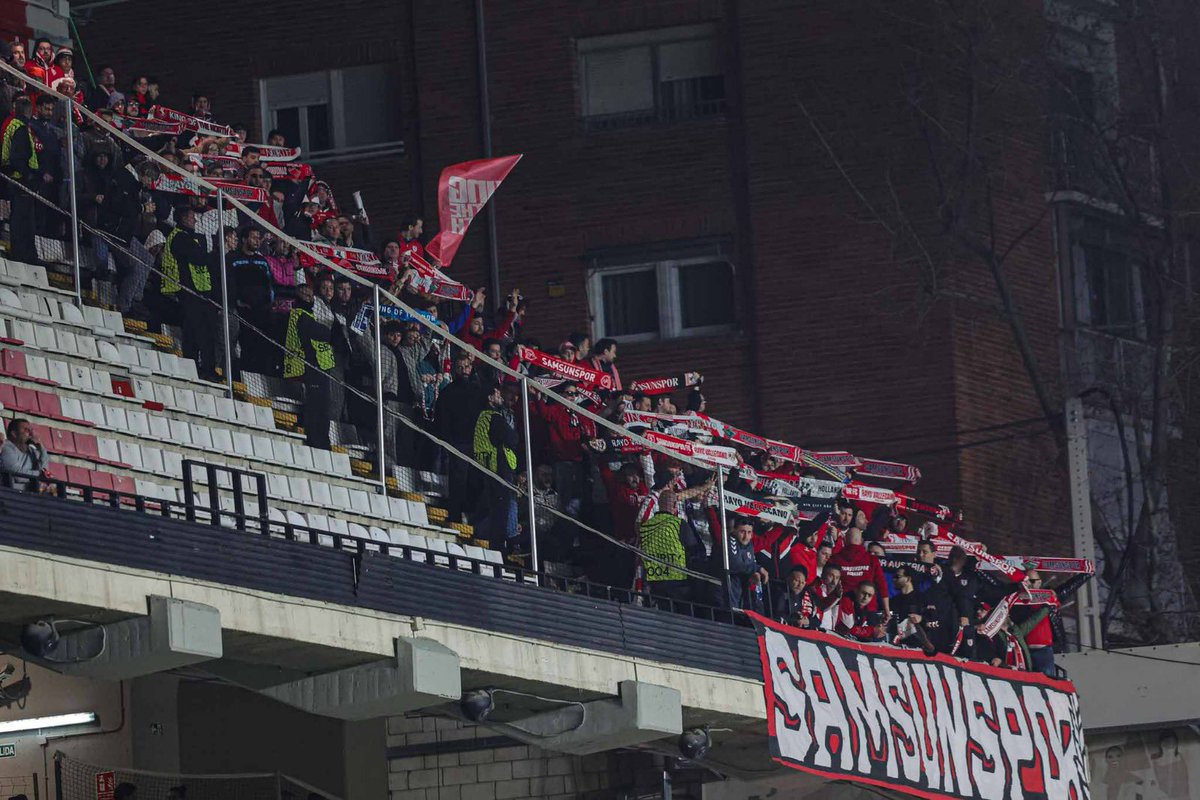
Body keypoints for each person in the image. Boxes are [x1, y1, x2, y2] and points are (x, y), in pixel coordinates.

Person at [283, 283, 338, 449]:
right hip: (308, 366)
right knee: (317, 406)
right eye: (305, 295)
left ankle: (322, 440)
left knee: (323, 406)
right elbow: (322, 333)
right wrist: (333, 332)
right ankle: (317, 440)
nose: (309, 298)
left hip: (317, 366)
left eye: (310, 295)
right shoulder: (300, 315)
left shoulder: (308, 315)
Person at [436, 353, 485, 521]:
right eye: (460, 367)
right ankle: (455, 516)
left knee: (476, 480)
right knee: (458, 481)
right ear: (455, 369)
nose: (464, 370)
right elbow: (442, 420)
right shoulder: (448, 392)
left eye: (467, 366)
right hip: (458, 443)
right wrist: (447, 442)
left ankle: (472, 517)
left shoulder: (478, 391)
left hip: (477, 443)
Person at [473, 383, 521, 552]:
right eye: (497, 394)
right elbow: (513, 438)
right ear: (490, 397)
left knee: (493, 506)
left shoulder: (484, 416)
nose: (500, 396)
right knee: (500, 512)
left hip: (490, 467)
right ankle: (499, 548)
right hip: (499, 468)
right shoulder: (494, 417)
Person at [639, 489, 703, 608]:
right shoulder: (679, 524)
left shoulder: (646, 526)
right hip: (678, 584)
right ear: (674, 505)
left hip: (654, 582)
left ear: (659, 504)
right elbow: (694, 550)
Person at [2, 96, 39, 263]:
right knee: (23, 219)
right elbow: (20, 155)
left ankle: (22, 252)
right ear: (28, 110)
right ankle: (23, 254)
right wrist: (28, 175)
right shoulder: (21, 128)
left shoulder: (13, 125)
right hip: (21, 180)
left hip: (15, 178)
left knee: (20, 217)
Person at [828, 526, 890, 618]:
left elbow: (828, 583)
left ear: (845, 540)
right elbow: (882, 585)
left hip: (842, 609)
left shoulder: (834, 559)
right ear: (861, 541)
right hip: (868, 608)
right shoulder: (872, 559)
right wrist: (886, 609)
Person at [1011, 569, 1057, 677]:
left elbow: (1065, 591)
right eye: (1025, 581)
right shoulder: (1017, 599)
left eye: (1031, 581)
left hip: (1043, 649)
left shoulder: (1048, 598)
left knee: (1046, 681)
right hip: (1024, 649)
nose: (1028, 584)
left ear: (1039, 582)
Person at [727, 519, 769, 611]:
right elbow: (735, 564)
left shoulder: (749, 544)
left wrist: (756, 571)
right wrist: (758, 569)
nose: (746, 536)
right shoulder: (730, 540)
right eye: (742, 532)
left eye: (749, 532)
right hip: (727, 589)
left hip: (740, 589)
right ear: (734, 531)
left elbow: (750, 563)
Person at [1, 419, 50, 491]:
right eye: (26, 430)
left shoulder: (32, 451)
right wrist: (39, 474)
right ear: (14, 434)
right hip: (10, 493)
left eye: (30, 430)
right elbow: (17, 475)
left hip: (30, 492)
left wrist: (41, 448)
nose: (30, 433)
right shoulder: (5, 447)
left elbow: (44, 471)